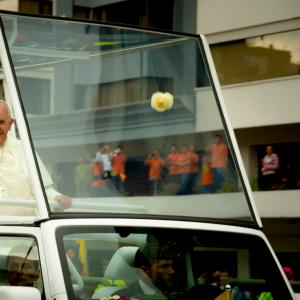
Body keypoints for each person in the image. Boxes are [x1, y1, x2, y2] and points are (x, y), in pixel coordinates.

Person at [0, 100, 71, 212]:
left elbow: (43, 190)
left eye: (1, 122)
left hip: (27, 227)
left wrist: (58, 197)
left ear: (10, 124)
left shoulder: (24, 149)